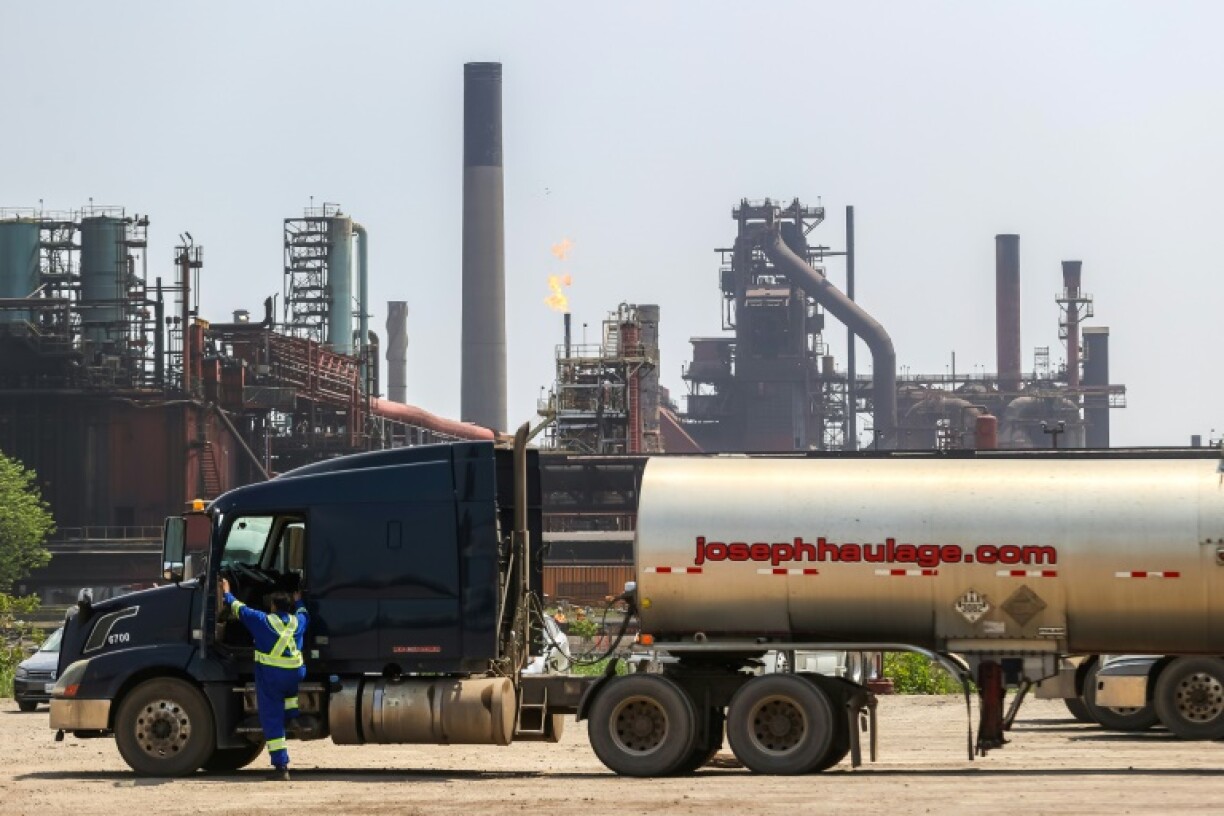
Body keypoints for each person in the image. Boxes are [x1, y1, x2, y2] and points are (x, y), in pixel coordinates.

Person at [219, 577, 308, 781]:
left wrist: (226, 591)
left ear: (273, 606)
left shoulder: (263, 621)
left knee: (271, 719)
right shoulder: (297, 622)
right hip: (295, 674)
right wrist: (300, 600)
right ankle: (292, 714)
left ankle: (281, 766)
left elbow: (238, 608)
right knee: (288, 694)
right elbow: (304, 613)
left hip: (273, 676)